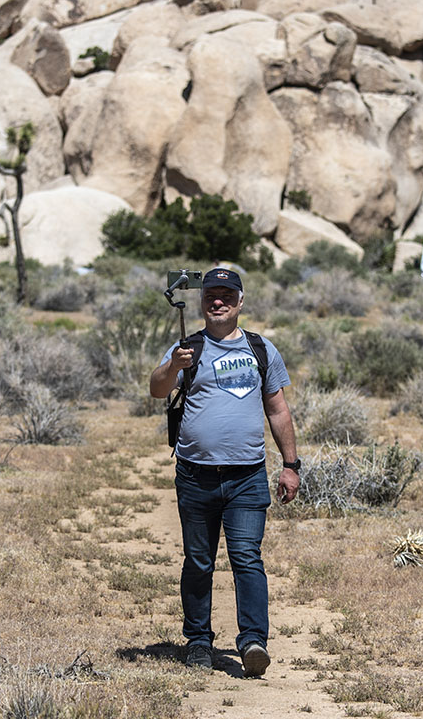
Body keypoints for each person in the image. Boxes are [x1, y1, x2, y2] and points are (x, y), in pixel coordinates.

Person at [149, 267, 300, 677]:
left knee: (247, 557)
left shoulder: (261, 349)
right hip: (196, 475)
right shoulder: (187, 348)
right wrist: (172, 367)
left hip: (247, 476)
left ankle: (253, 641)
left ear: (240, 301)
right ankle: (198, 641)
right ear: (201, 302)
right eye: (211, 295)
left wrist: (290, 465)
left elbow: (278, 409)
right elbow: (157, 389)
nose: (218, 301)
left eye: (226, 295)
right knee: (198, 560)